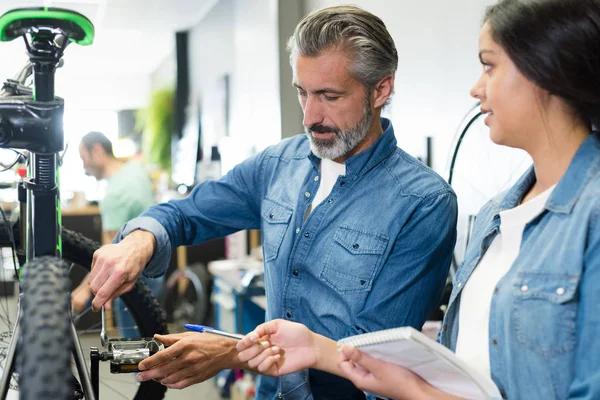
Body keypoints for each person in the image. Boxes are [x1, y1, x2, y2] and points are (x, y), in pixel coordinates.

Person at [87, 6, 457, 399]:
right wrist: (139, 240)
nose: (310, 116)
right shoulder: (278, 165)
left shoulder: (424, 204)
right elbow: (188, 212)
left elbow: (374, 357)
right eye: (303, 92)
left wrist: (234, 351)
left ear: (380, 89)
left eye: (329, 96)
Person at [237, 0, 600, 398]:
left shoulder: (589, 215)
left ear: (548, 69)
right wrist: (318, 350)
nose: (476, 87)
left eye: (489, 65)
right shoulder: (495, 218)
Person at [71, 131, 164, 336]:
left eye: (83, 158)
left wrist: (84, 290)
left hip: (132, 279)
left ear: (97, 150)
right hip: (155, 267)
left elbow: (110, 251)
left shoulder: (114, 196)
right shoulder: (134, 170)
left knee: (133, 351)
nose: (84, 167)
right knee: (152, 336)